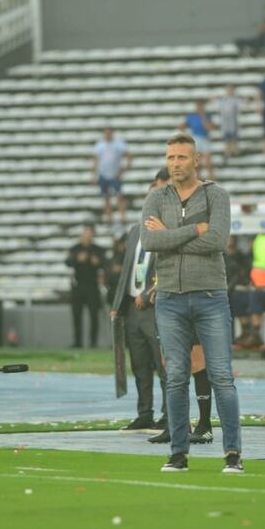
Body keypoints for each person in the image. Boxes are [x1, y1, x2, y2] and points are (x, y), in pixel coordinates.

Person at [142, 133, 243, 473]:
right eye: (171, 158)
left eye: (182, 158)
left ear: (196, 160)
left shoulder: (217, 195)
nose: (175, 164)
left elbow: (217, 240)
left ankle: (233, 455)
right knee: (175, 378)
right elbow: (148, 240)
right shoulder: (156, 198)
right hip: (169, 297)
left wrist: (169, 235)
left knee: (221, 377)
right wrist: (191, 231)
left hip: (211, 296)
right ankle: (178, 454)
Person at [111, 171, 167, 432]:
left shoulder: (170, 230)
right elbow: (127, 270)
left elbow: (170, 267)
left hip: (157, 307)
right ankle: (144, 412)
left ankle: (170, 413)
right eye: (151, 191)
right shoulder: (135, 231)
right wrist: (118, 303)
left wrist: (151, 291)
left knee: (164, 364)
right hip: (132, 308)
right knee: (140, 364)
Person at [66, 225, 107, 349]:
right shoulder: (75, 248)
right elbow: (67, 262)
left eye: (90, 234)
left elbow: (106, 264)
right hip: (78, 285)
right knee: (76, 315)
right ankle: (77, 342)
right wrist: (77, 259)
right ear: (82, 235)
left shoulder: (98, 249)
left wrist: (98, 262)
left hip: (93, 286)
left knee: (94, 315)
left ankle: (93, 342)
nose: (88, 236)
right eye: (86, 234)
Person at [92, 127, 132, 225]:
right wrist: (94, 174)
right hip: (103, 174)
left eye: (109, 133)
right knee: (106, 197)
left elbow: (128, 155)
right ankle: (109, 218)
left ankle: (122, 217)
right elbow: (96, 160)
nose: (108, 135)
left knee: (119, 196)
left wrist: (124, 170)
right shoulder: (100, 145)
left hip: (115, 174)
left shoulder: (118, 144)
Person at [180, 99, 216, 180]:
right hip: (196, 139)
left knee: (208, 161)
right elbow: (184, 125)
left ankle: (211, 177)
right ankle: (198, 178)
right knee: (198, 161)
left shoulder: (207, 116)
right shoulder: (192, 116)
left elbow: (209, 128)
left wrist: (203, 117)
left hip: (205, 138)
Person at [214, 84, 246, 160]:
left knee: (233, 139)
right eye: (228, 90)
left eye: (231, 90)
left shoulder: (235, 100)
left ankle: (235, 153)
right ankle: (228, 154)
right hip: (225, 123)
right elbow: (216, 104)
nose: (230, 91)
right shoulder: (223, 100)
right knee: (227, 140)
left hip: (233, 123)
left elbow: (243, 103)